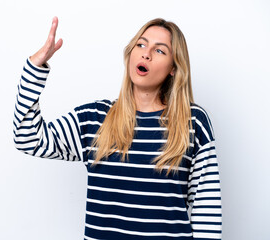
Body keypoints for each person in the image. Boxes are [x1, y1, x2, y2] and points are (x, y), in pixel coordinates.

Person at [13, 16, 222, 240]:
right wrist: (34, 69)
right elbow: (28, 138)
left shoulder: (193, 122)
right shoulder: (94, 119)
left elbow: (205, 210)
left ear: (173, 68)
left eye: (159, 51)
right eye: (141, 44)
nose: (146, 53)